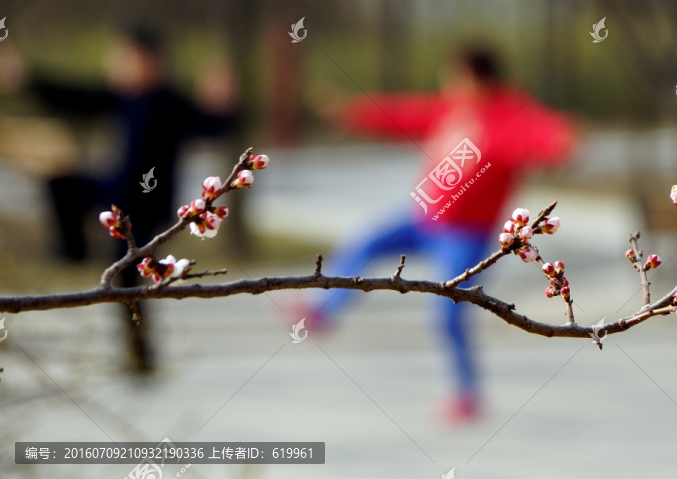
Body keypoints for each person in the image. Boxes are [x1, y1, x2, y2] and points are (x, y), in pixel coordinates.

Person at [291, 47, 576, 423]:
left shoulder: (509, 114)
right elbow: (404, 115)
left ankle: (467, 395)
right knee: (367, 240)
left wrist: (560, 143)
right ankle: (324, 313)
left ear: (474, 78)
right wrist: (351, 112)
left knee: (448, 310)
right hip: (423, 218)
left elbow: (547, 133)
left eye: (455, 80)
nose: (450, 88)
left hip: (466, 235)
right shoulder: (452, 108)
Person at [1, 25, 236, 373]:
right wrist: (28, 80)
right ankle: (73, 249)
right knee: (61, 183)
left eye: (125, 59)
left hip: (146, 204)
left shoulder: (170, 102)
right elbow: (75, 97)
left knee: (128, 282)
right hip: (115, 191)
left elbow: (212, 125)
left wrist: (223, 103)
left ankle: (141, 353)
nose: (118, 66)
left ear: (150, 61)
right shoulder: (124, 97)